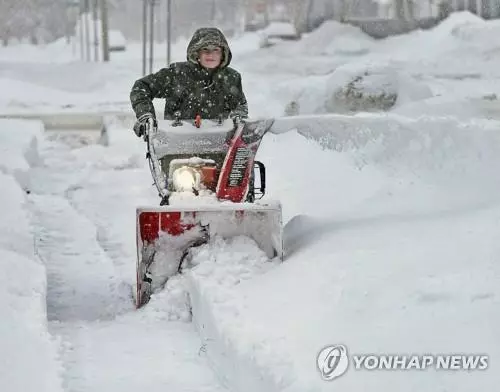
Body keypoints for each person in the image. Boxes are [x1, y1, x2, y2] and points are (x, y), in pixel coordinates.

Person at [130, 27, 249, 138]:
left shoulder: (231, 78)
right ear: (197, 53)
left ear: (223, 54)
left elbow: (239, 104)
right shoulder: (177, 74)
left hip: (218, 142)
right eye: (205, 50)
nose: (211, 54)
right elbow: (141, 87)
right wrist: (146, 116)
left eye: (216, 50)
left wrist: (239, 118)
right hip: (176, 142)